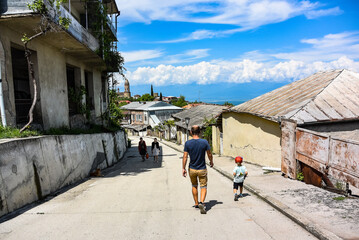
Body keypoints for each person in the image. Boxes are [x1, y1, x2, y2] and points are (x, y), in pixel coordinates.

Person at [182, 125, 213, 214]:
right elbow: (209, 154)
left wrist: (183, 168)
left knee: (194, 185)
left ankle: (196, 203)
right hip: (202, 168)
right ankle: (202, 202)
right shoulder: (204, 142)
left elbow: (185, 156)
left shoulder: (188, 143)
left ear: (191, 132)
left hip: (192, 169)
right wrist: (211, 162)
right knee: (203, 186)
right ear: (200, 132)